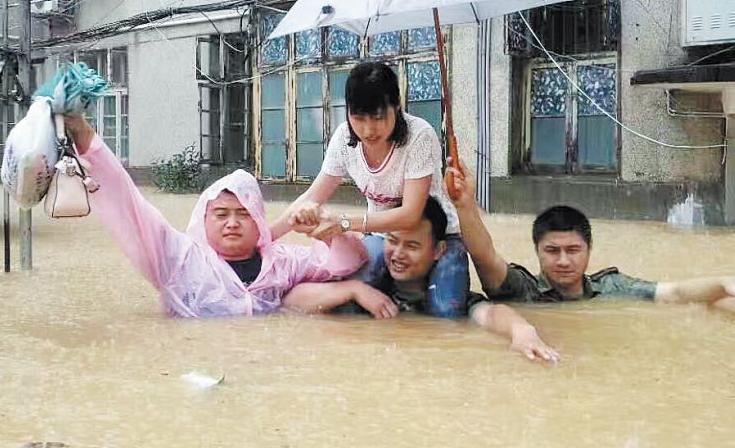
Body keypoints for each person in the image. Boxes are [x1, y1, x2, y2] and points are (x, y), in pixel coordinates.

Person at [64, 114, 367, 318]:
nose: (232, 223)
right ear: (204, 219)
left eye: (243, 214)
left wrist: (327, 227)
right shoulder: (178, 259)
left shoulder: (282, 262)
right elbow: (130, 204)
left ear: (259, 221)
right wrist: (84, 137)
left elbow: (347, 263)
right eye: (221, 214)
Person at [272, 61, 470, 318]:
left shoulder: (419, 136)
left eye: (378, 118)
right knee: (347, 302)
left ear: (396, 107)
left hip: (435, 236)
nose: (368, 129)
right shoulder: (344, 139)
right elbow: (312, 196)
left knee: (447, 312)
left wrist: (344, 223)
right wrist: (262, 239)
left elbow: (410, 214)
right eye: (359, 118)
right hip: (383, 236)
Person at [283, 197, 560, 363]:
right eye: (392, 241)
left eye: (412, 246)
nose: (398, 254)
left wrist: (523, 332)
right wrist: (353, 289)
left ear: (438, 251)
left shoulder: (448, 298)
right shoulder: (372, 286)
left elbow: (491, 313)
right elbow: (290, 300)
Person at [448, 158, 735, 309]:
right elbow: (484, 257)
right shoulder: (523, 290)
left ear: (589, 250)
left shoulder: (612, 288)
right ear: (537, 251)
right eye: (552, 251)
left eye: (573, 251)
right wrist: (466, 205)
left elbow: (675, 293)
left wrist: (724, 284)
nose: (563, 261)